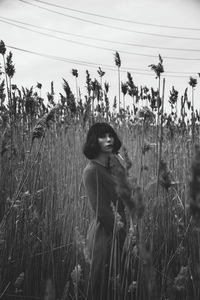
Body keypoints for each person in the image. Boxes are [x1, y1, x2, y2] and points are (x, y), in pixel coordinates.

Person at [82, 122, 135, 300]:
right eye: (103, 136)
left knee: (122, 287)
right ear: (93, 141)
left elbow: (127, 194)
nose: (109, 139)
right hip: (105, 236)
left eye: (111, 135)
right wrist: (123, 238)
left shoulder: (113, 166)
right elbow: (103, 212)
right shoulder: (91, 171)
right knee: (105, 287)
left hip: (122, 230)